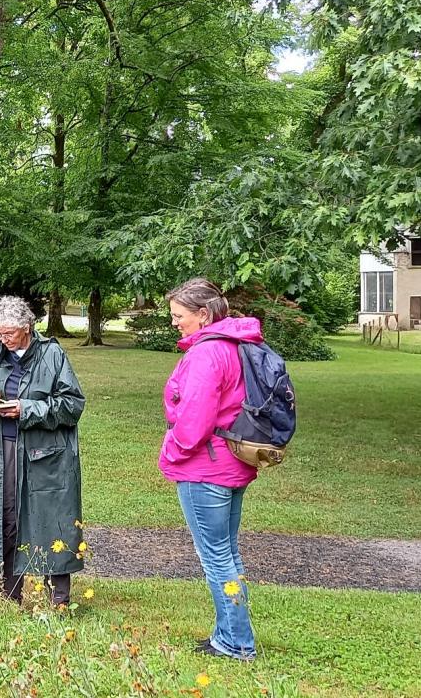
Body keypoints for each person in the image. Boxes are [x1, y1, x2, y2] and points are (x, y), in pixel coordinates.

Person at [159, 278, 260, 661]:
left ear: (203, 315)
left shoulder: (206, 353)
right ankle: (229, 634)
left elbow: (194, 423)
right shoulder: (237, 345)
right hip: (233, 462)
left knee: (216, 558)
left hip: (206, 467)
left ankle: (236, 643)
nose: (174, 322)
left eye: (178, 315)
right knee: (228, 554)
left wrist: (174, 448)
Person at [0, 296, 86, 607]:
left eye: (8, 334)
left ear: (27, 328)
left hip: (45, 455)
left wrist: (26, 408)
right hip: (3, 451)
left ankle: (58, 597)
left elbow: (72, 405)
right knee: (4, 519)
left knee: (50, 519)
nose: (2, 340)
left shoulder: (52, 355)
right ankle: (8, 593)